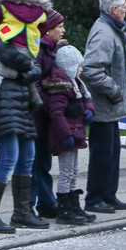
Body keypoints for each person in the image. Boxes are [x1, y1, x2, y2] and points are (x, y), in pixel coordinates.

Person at [0, 0, 48, 234]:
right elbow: (9, 56)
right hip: (1, 99)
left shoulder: (23, 29)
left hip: (23, 101)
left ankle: (22, 213)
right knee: (8, 158)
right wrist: (26, 69)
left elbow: (37, 68)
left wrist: (25, 70)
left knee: (28, 157)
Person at [81, 0, 126, 214]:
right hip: (104, 107)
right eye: (124, 6)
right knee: (102, 154)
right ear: (114, 9)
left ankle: (108, 195)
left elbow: (114, 66)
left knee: (112, 153)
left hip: (110, 108)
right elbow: (91, 69)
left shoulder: (111, 29)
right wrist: (115, 91)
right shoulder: (104, 33)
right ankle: (95, 199)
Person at [42, 44, 96, 225]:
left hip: (76, 133)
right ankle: (64, 208)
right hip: (67, 136)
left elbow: (87, 99)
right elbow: (56, 113)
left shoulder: (77, 84)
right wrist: (65, 135)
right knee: (66, 172)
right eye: (79, 66)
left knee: (73, 171)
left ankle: (73, 204)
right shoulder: (61, 87)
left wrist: (89, 110)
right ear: (70, 66)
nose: (81, 69)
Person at [31, 8, 72, 220]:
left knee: (43, 162)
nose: (63, 30)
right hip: (38, 116)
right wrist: (52, 105)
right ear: (47, 30)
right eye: (59, 27)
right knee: (36, 163)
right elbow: (37, 84)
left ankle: (46, 203)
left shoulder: (53, 50)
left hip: (46, 117)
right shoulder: (40, 51)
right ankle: (33, 206)